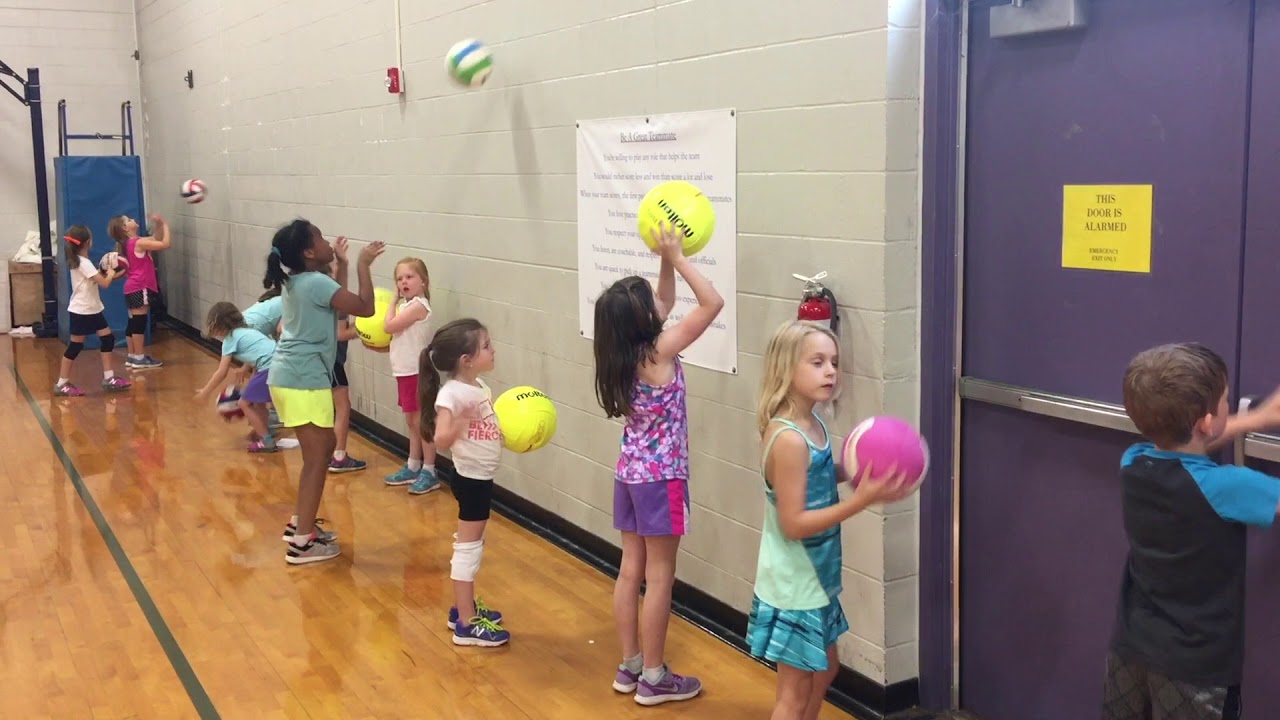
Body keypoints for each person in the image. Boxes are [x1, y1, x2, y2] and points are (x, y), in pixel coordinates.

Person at [1102, 342, 1280, 720]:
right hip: (1196, 669)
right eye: (1227, 400)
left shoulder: (1132, 462)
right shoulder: (1226, 487)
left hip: (1132, 647)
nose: (1232, 406)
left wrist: (1255, 420)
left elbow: (1186, 446)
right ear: (1205, 420)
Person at [592, 222, 724, 706]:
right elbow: (711, 304)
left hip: (629, 474)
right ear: (641, 319)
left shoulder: (620, 350)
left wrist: (666, 259)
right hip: (661, 479)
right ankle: (654, 676)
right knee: (661, 576)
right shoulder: (658, 351)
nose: (658, 307)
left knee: (631, 570)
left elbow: (664, 303)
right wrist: (683, 258)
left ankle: (630, 666)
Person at [748, 320, 907, 720]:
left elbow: (816, 475)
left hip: (815, 578)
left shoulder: (813, 423)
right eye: (817, 362)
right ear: (787, 369)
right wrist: (863, 499)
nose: (831, 371)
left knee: (826, 668)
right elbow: (794, 523)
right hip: (794, 583)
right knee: (793, 693)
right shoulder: (787, 439)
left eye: (834, 362)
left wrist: (854, 470)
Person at [262, 218, 382, 565]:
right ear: (309, 252)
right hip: (302, 379)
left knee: (323, 449)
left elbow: (337, 303)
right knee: (318, 458)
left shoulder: (303, 281)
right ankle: (302, 543)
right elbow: (363, 307)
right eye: (318, 236)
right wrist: (361, 264)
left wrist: (342, 265)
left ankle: (300, 523)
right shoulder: (313, 282)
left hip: (293, 377)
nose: (326, 239)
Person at [419, 318, 507, 646]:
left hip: (481, 477)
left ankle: (463, 606)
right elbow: (440, 436)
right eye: (486, 346)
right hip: (470, 480)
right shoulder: (452, 394)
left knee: (475, 543)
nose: (493, 349)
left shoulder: (478, 387)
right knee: (468, 548)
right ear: (466, 360)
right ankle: (467, 624)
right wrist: (460, 422)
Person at [382, 257, 439, 494]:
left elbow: (389, 327)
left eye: (409, 277)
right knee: (411, 421)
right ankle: (414, 464)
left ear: (423, 281)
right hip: (405, 372)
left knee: (421, 422)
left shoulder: (418, 306)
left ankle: (430, 470)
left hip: (418, 372)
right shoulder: (408, 307)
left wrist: (392, 300)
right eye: (399, 278)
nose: (403, 282)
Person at [54, 225, 132, 396]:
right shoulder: (84, 263)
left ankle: (109, 378)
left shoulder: (79, 261)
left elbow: (95, 279)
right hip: (82, 310)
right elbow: (104, 283)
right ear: (88, 242)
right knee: (75, 346)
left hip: (92, 308)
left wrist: (105, 271)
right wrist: (111, 272)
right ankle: (62, 383)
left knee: (107, 339)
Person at [194, 301, 278, 452]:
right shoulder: (247, 331)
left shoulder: (230, 339)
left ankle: (267, 441)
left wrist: (205, 392)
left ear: (218, 325)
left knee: (244, 403)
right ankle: (263, 432)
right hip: (279, 363)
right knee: (259, 402)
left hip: (268, 367)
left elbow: (222, 371)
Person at [108, 213, 169, 369]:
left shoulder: (131, 243)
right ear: (125, 228)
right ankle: (140, 358)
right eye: (128, 220)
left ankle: (132, 355)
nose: (133, 220)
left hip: (131, 286)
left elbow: (155, 238)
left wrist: (159, 224)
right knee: (139, 323)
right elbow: (164, 244)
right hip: (140, 286)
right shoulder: (138, 243)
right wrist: (166, 225)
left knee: (133, 321)